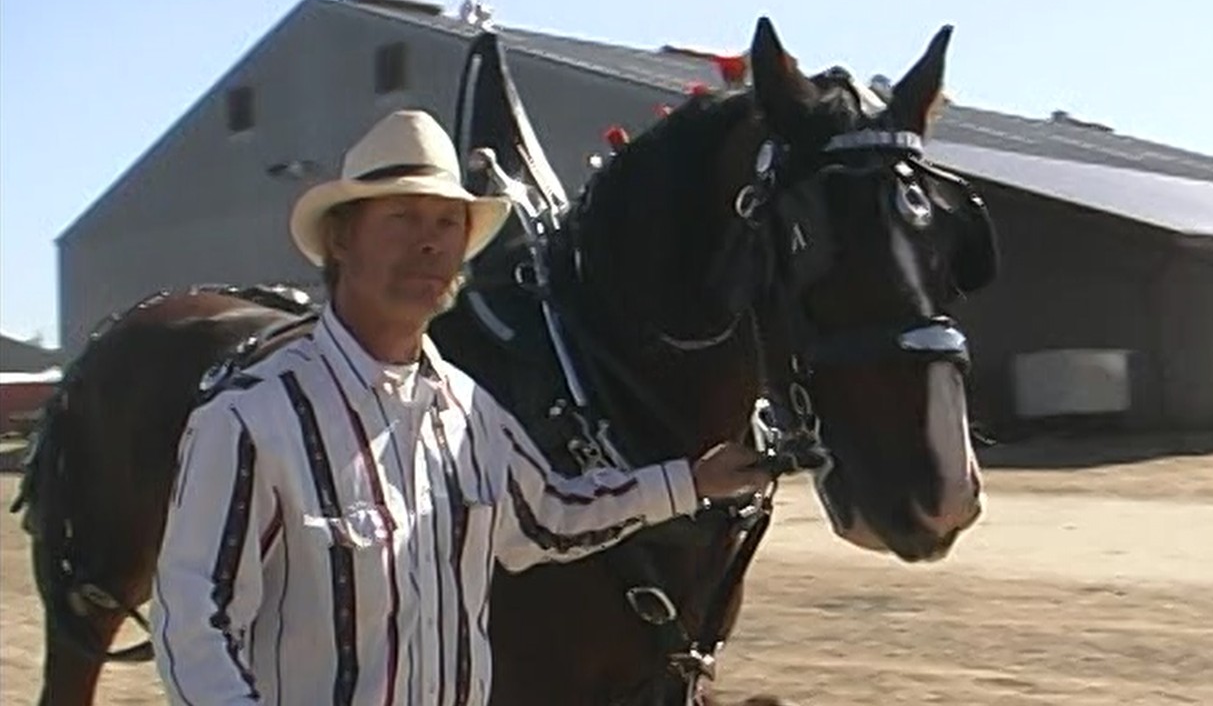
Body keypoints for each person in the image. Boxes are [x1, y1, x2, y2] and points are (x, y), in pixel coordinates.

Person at [150, 109, 771, 705]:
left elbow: (549, 516)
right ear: (342, 239)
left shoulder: (468, 412)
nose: (430, 243)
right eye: (403, 217)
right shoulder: (253, 421)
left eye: (448, 224)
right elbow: (193, 619)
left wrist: (690, 482)